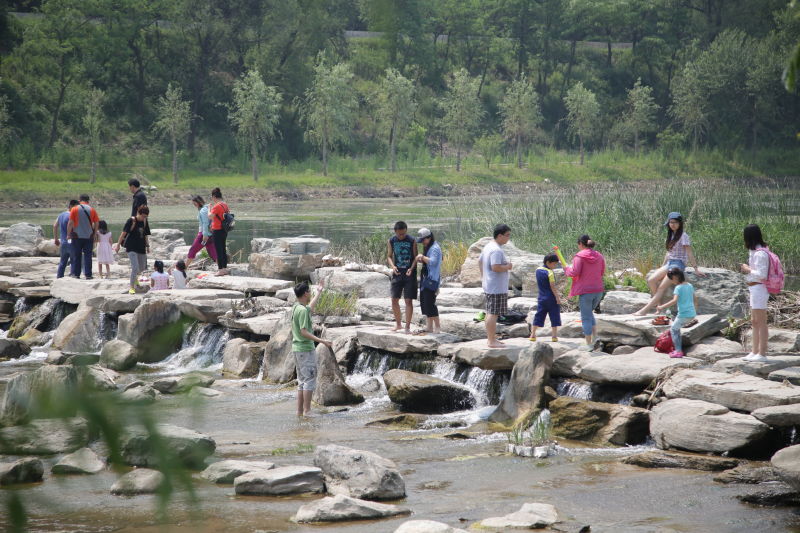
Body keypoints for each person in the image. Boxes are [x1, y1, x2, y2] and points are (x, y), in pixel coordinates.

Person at [635, 212, 705, 315]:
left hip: (678, 265)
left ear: (680, 223)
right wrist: (663, 266)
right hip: (670, 263)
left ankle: (644, 311)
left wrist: (696, 269)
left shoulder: (683, 236)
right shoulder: (671, 234)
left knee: (661, 288)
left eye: (675, 222)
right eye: (671, 222)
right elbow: (668, 253)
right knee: (651, 280)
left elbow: (689, 252)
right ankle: (659, 307)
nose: (673, 224)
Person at [291, 280, 331, 417]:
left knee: (302, 382)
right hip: (305, 349)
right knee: (309, 380)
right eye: (309, 291)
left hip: (297, 349)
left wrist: (319, 292)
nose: (310, 293)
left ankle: (300, 412)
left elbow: (310, 308)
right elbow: (303, 331)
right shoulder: (301, 310)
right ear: (304, 293)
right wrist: (322, 341)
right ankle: (307, 411)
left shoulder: (297, 307)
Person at [562, 235, 606, 351]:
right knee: (589, 313)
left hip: (586, 291)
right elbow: (602, 272)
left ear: (581, 244)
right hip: (598, 290)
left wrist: (566, 268)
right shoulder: (599, 256)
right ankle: (595, 337)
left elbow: (574, 272)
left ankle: (588, 344)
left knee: (585, 317)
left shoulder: (579, 257)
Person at [479, 224, 513, 348]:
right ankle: (491, 341)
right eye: (507, 235)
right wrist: (508, 267)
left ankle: (491, 339)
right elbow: (495, 267)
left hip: (490, 285)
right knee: (493, 314)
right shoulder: (496, 250)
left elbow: (480, 261)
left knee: (490, 312)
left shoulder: (488, 246)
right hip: (496, 287)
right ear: (500, 236)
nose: (508, 238)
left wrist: (484, 277)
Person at [740, 224, 770, 362]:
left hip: (759, 288)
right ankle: (754, 351)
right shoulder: (754, 251)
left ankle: (762, 353)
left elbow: (762, 275)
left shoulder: (761, 253)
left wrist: (747, 269)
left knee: (761, 321)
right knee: (754, 321)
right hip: (753, 288)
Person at [656, 267, 697, 358]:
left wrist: (661, 307)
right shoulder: (690, 285)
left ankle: (678, 351)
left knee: (673, 329)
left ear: (675, 277)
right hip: (691, 313)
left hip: (683, 314)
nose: (671, 281)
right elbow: (695, 299)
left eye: (671, 279)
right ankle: (678, 349)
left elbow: (674, 301)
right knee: (676, 329)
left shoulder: (678, 288)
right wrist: (695, 311)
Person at [387, 221, 418, 334]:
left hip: (410, 273)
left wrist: (412, 268)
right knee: (394, 299)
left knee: (408, 300)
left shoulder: (412, 240)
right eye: (399, 234)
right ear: (395, 232)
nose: (401, 236)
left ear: (406, 231)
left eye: (403, 234)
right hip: (397, 272)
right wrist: (393, 266)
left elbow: (415, 257)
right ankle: (398, 324)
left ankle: (407, 327)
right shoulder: (391, 241)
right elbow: (389, 256)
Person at [114, 205, 151, 294]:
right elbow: (123, 233)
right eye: (143, 216)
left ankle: (135, 279)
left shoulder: (145, 221)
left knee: (142, 268)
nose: (144, 218)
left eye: (145, 216)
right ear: (139, 213)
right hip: (131, 247)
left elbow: (145, 234)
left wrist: (147, 246)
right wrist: (118, 245)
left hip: (141, 247)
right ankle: (132, 287)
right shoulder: (131, 220)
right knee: (135, 267)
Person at [530, 253, 562, 343]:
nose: (555, 266)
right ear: (548, 262)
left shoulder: (538, 270)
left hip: (541, 298)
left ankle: (533, 334)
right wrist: (557, 298)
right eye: (554, 264)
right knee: (554, 315)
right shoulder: (550, 272)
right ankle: (554, 336)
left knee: (539, 315)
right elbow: (552, 286)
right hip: (551, 298)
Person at [66, 194, 100, 279]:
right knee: (88, 256)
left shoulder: (74, 209)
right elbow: (96, 223)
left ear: (79, 200)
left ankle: (76, 274)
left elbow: (70, 223)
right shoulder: (92, 210)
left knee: (77, 255)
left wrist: (68, 234)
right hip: (89, 236)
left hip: (77, 236)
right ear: (88, 201)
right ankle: (88, 274)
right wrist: (95, 233)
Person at [415, 228, 442, 334]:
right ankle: (429, 327)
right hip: (426, 278)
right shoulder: (429, 247)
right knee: (425, 302)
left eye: (423, 240)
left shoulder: (435, 248)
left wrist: (422, 257)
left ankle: (438, 327)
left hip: (431, 279)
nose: (422, 242)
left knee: (431, 303)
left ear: (429, 238)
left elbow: (434, 262)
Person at [185, 195, 217, 270]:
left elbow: (205, 223)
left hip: (203, 235)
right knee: (213, 253)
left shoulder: (203, 210)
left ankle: (185, 267)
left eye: (195, 203)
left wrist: (205, 235)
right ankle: (221, 268)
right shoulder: (206, 208)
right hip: (211, 235)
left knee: (192, 250)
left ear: (198, 202)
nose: (194, 205)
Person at [53, 199, 78, 278]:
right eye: (76, 207)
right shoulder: (73, 216)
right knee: (74, 260)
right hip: (72, 241)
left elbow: (55, 226)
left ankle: (59, 277)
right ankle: (73, 276)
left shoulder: (61, 215)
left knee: (62, 262)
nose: (77, 209)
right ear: (71, 206)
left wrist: (56, 239)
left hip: (63, 242)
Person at [209, 188, 229, 276]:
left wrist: (209, 208)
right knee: (223, 249)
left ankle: (220, 269)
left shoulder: (216, 206)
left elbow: (210, 216)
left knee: (218, 250)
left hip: (217, 230)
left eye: (212, 197)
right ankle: (224, 268)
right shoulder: (225, 205)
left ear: (214, 196)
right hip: (224, 230)